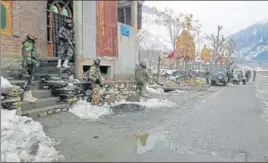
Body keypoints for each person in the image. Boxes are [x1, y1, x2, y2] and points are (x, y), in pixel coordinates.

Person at [21, 34, 39, 102]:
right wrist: (30, 63)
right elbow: (27, 54)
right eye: (34, 39)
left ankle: (29, 96)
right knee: (28, 80)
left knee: (30, 80)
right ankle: (26, 97)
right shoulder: (28, 44)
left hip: (30, 63)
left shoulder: (30, 44)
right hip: (29, 64)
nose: (35, 40)